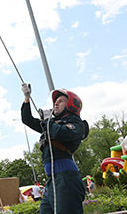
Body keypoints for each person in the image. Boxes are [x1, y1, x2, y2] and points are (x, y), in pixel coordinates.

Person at [21, 83, 88, 214]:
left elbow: (60, 133)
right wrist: (27, 98)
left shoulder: (77, 124)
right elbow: (27, 119)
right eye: (55, 102)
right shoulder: (51, 124)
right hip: (52, 181)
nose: (55, 104)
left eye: (61, 101)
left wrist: (48, 120)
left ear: (71, 105)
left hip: (67, 179)